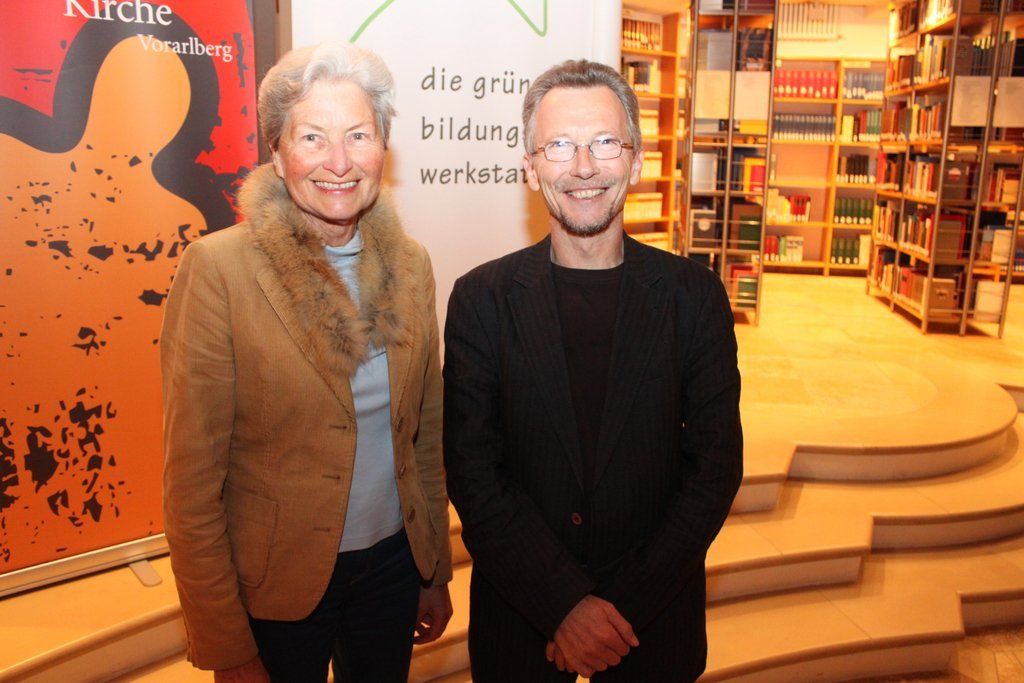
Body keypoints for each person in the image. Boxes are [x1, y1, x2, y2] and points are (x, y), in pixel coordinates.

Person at [443, 59, 743, 682]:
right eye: (559, 145)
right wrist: (563, 606)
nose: (583, 166)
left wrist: (619, 608)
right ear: (530, 168)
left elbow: (714, 470)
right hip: (522, 618)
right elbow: (473, 473)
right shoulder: (481, 299)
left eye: (605, 142)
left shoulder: (694, 297)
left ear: (635, 163)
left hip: (653, 621)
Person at [160, 43, 452, 683]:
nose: (339, 162)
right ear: (277, 151)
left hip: (393, 568)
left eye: (358, 135)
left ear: (383, 146)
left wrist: (433, 570)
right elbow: (192, 483)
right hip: (276, 586)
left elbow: (423, 435)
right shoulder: (219, 270)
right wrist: (226, 644)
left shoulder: (412, 264)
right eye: (313, 137)